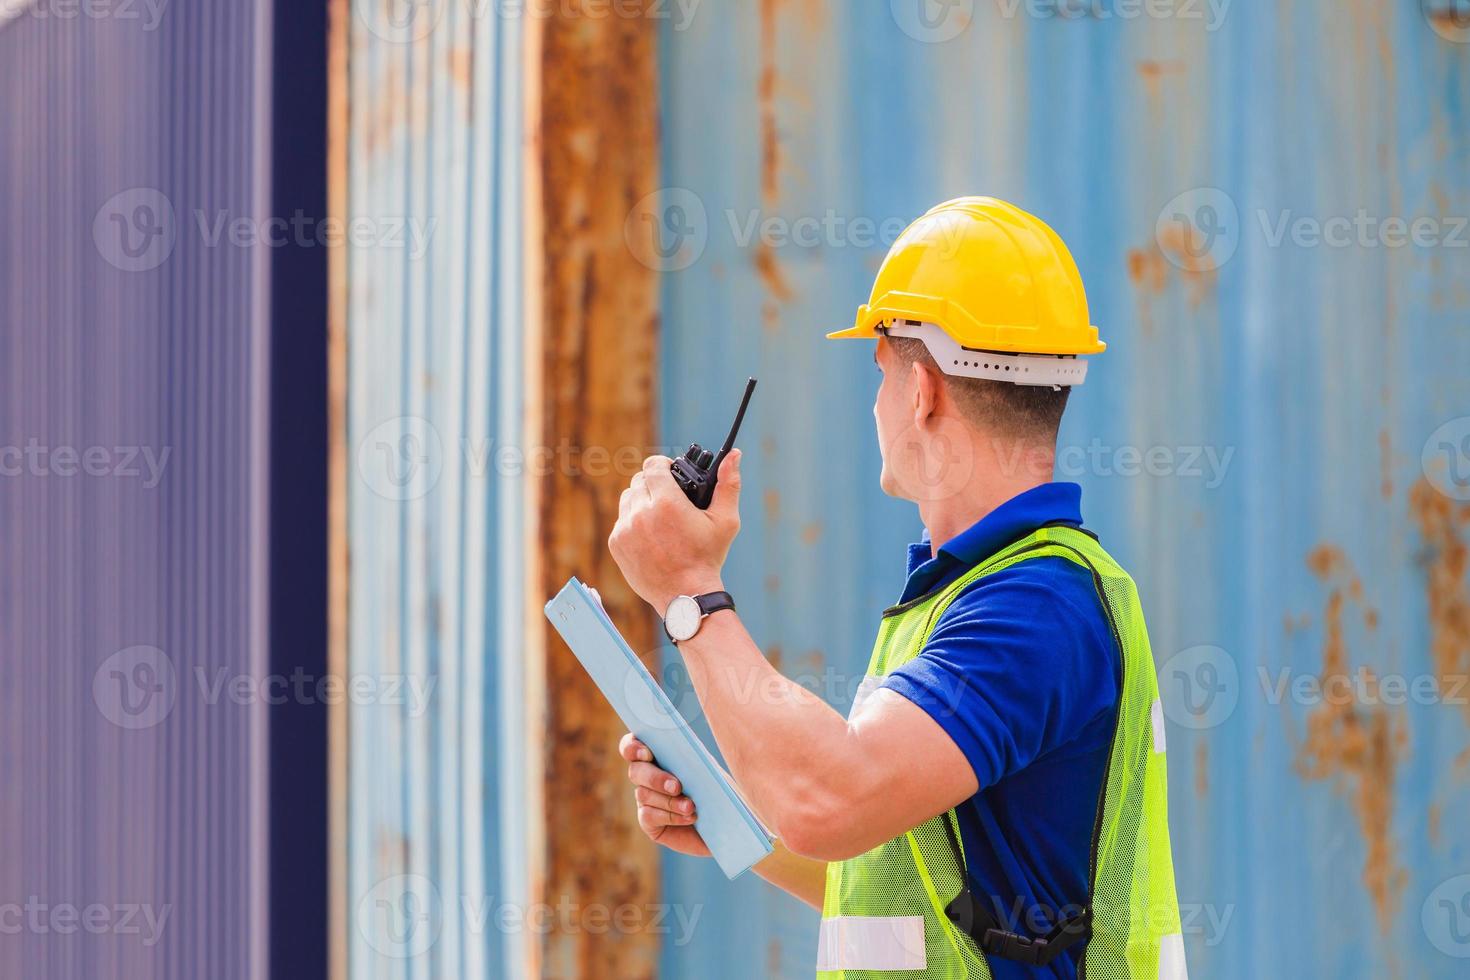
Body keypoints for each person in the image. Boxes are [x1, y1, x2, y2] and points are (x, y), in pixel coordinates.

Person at [608, 198, 1186, 979]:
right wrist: (733, 819)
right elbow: (908, 890)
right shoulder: (981, 594)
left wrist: (689, 593)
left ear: (923, 393)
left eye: (881, 375)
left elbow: (831, 802)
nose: (876, 404)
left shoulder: (1036, 607)